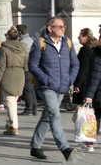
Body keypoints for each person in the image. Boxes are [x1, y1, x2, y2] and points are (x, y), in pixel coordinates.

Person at [28, 16, 78, 161]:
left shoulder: (67, 42)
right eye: (60, 26)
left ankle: (35, 147)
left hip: (62, 86)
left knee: (47, 116)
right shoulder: (40, 43)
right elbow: (33, 65)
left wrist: (70, 79)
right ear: (50, 28)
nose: (63, 29)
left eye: (64, 27)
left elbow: (75, 64)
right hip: (46, 87)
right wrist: (45, 79)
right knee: (55, 114)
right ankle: (64, 147)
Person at [0, 25, 28, 136]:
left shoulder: (3, 49)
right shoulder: (24, 48)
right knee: (13, 102)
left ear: (7, 37)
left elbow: (1, 66)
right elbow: (27, 64)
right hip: (20, 75)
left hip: (8, 75)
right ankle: (10, 125)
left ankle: (14, 127)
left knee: (10, 103)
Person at [17, 23, 38, 116]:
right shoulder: (30, 40)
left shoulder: (23, 43)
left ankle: (29, 108)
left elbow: (21, 56)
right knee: (31, 88)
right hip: (32, 67)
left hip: (26, 67)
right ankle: (34, 108)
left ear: (20, 32)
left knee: (27, 88)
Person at [74, 28, 96, 106]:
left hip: (84, 84)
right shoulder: (94, 48)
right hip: (93, 83)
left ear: (86, 36)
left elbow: (84, 68)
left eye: (80, 35)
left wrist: (78, 84)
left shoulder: (85, 50)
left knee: (84, 111)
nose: (78, 37)